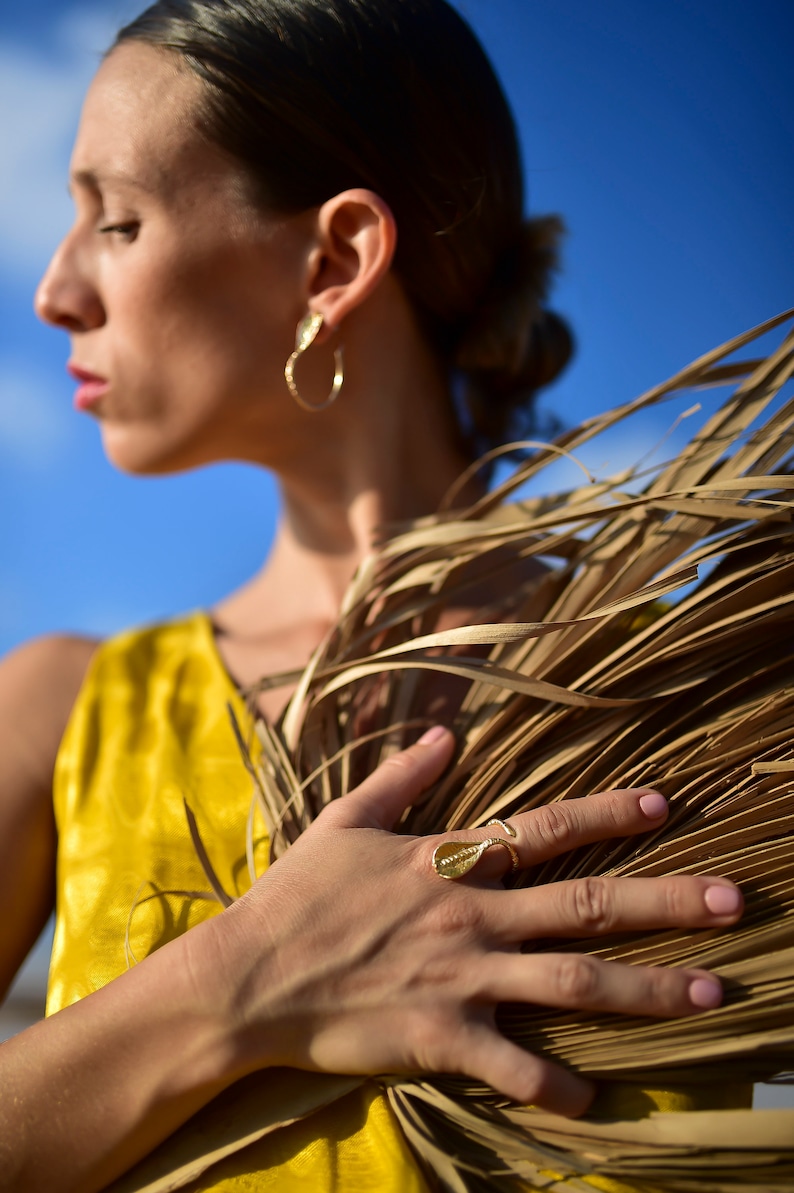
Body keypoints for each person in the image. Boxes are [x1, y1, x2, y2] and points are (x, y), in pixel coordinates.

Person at [0, 2, 747, 1190]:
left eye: (119, 219)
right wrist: (245, 970)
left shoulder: (706, 699)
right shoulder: (64, 709)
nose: (52, 290)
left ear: (335, 259)